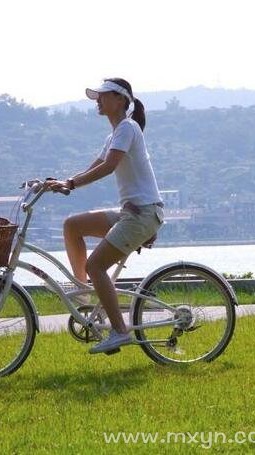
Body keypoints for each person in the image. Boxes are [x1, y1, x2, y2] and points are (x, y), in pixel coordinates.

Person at [47, 78, 164, 354]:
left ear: (120, 100)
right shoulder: (114, 135)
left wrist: (73, 184)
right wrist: (64, 182)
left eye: (102, 96)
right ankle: (85, 295)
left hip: (143, 215)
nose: (97, 101)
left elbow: (109, 167)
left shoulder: (127, 127)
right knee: (72, 225)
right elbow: (97, 165)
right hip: (131, 213)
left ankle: (120, 332)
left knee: (96, 266)